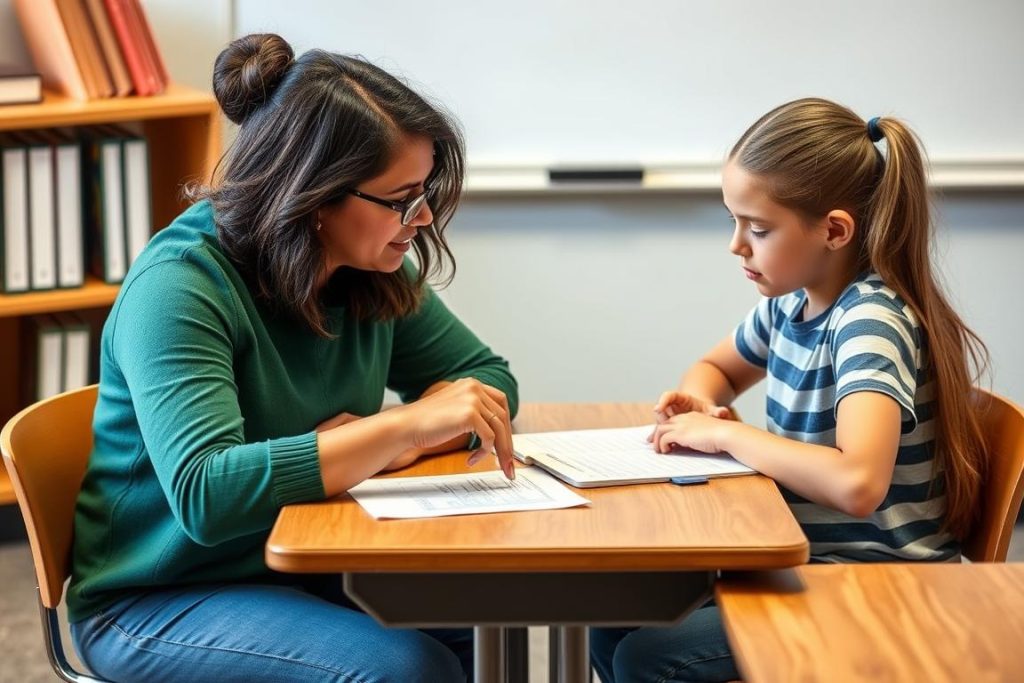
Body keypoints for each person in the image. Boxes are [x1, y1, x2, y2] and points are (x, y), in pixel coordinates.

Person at [68, 33, 518, 682]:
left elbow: (489, 382)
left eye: (422, 194)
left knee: (474, 607)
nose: (420, 218)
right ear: (314, 195)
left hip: (305, 555)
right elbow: (206, 494)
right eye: (398, 199)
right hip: (160, 593)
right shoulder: (179, 286)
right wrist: (393, 429)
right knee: (403, 667)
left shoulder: (369, 270)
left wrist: (381, 442)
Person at [591, 97, 989, 682]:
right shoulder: (792, 306)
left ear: (833, 230)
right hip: (809, 562)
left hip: (880, 584)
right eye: (733, 221)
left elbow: (858, 483)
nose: (736, 245)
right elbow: (715, 368)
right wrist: (702, 401)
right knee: (611, 616)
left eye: (757, 228)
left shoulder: (867, 323)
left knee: (650, 657)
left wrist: (731, 439)